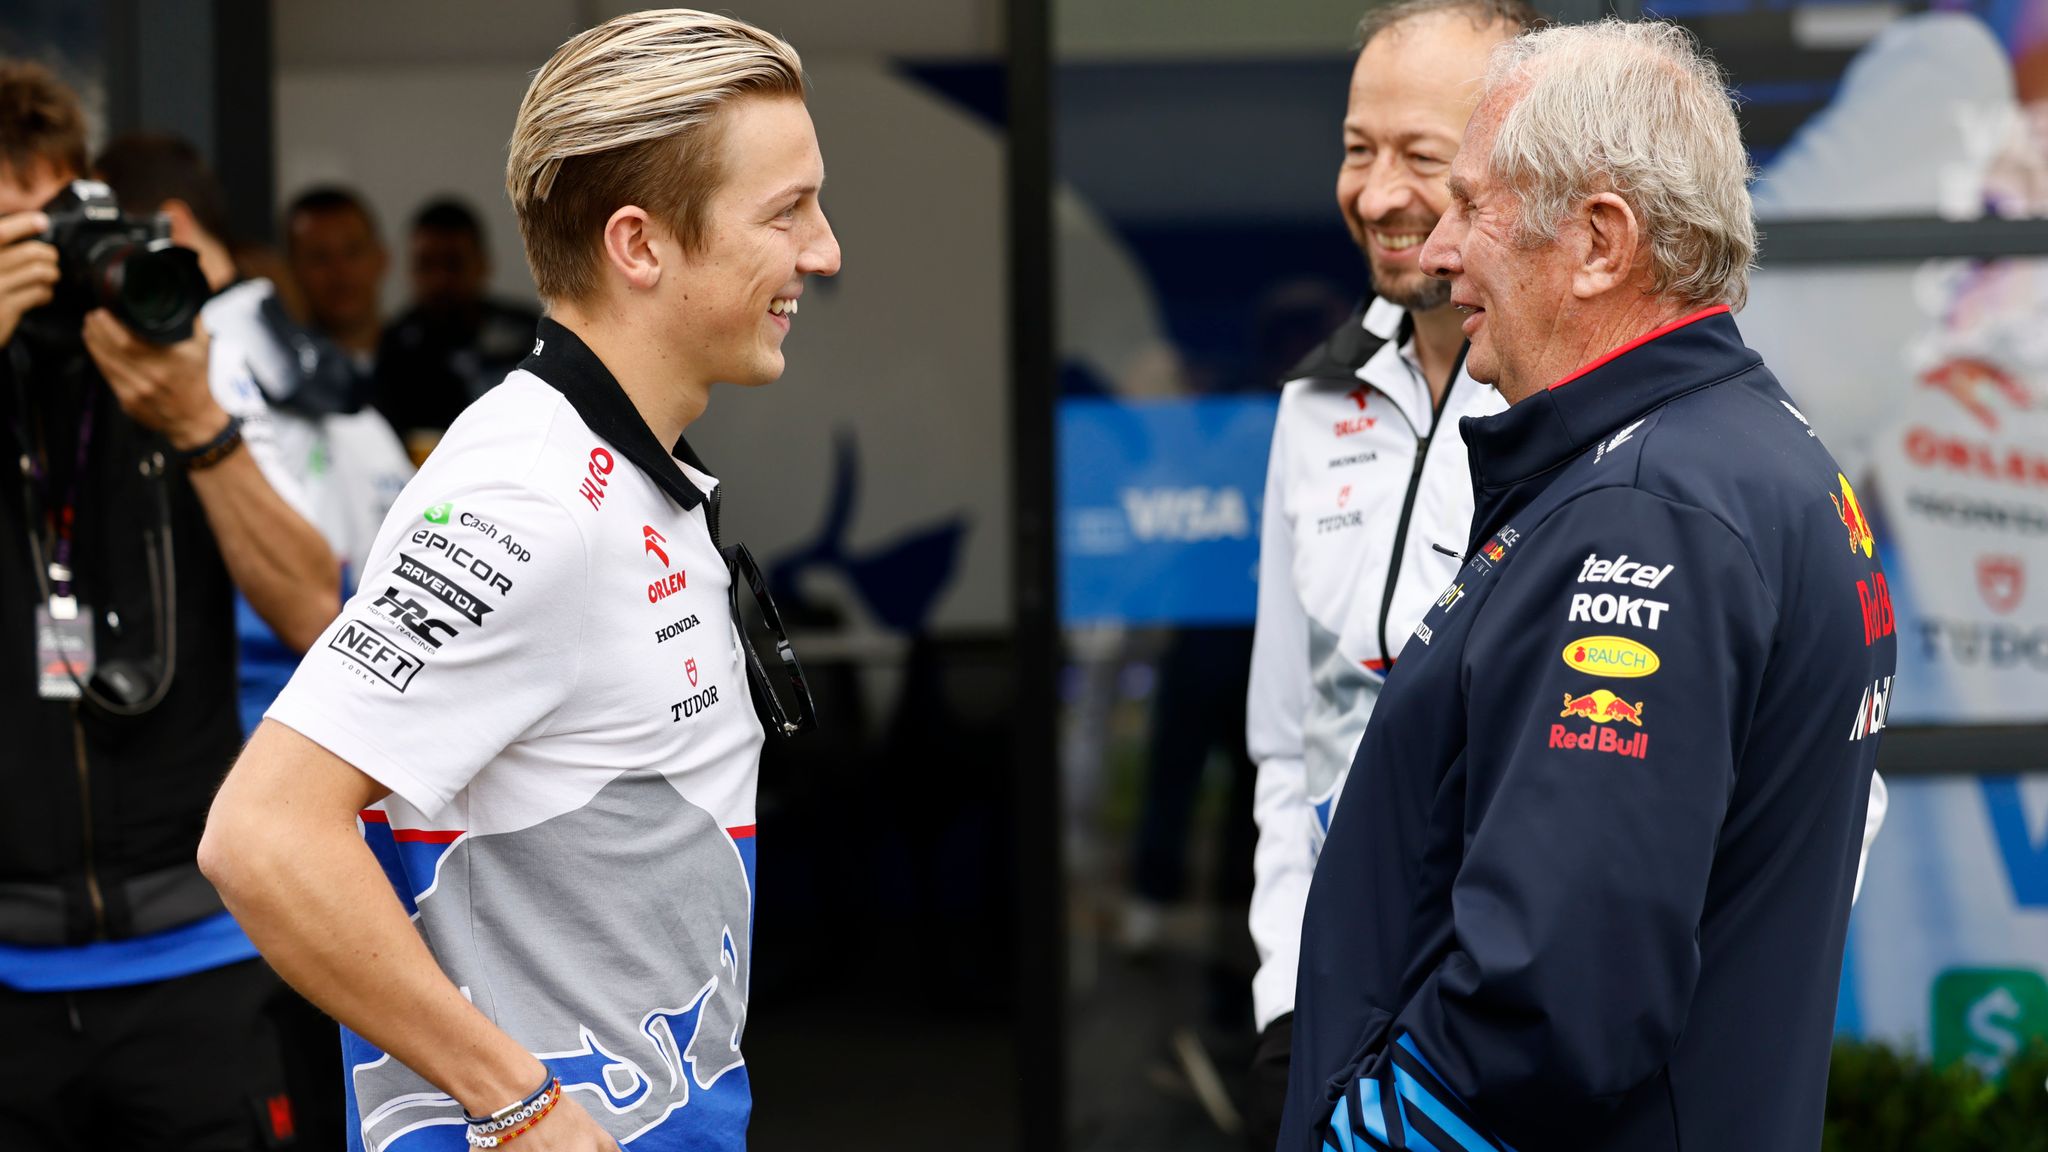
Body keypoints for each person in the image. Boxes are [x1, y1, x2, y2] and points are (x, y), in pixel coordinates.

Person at [199, 9, 841, 1151]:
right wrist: (519, 1101)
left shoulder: (623, 470)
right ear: (639, 246)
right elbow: (262, 837)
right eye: (786, 211)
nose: (823, 251)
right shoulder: (531, 499)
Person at [1279, 20, 1897, 1152]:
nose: (1441, 249)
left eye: (1471, 203)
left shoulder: (1646, 513)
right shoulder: (1748, 453)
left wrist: (1359, 1133)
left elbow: (1555, 1000)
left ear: (1599, 241)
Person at [0, 62, 340, 1150]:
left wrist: (195, 419)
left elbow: (311, 612)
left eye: (46, 225)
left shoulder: (182, 364)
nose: (36, 266)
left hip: (200, 963)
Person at [1242, 1, 1536, 1141]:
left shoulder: (1581, 401)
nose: (1375, 192)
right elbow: (1285, 731)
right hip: (1327, 1011)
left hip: (1504, 1028)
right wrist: (1280, 993)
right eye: (1357, 149)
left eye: (1421, 155)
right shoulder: (1312, 399)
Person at [95, 132, 416, 737]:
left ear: (171, 225)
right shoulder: (291, 347)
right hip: (355, 701)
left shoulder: (204, 350)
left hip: (266, 708)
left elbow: (318, 601)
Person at [376, 197, 541, 463]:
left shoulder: (526, 333)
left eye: (453, 263)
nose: (440, 280)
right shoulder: (392, 347)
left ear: (483, 264)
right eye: (427, 264)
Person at [283, 185, 387, 371]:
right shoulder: (281, 373)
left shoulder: (432, 363)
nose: (340, 271)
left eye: (353, 252)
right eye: (319, 257)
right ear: (292, 271)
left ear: (381, 259)